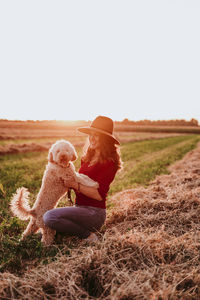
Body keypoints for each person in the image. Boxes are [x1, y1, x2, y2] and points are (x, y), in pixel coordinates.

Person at [43, 115, 122, 242]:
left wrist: (74, 185)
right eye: (91, 134)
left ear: (105, 139)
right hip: (79, 208)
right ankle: (71, 231)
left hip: (94, 213)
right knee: (46, 218)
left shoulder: (109, 163)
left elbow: (98, 195)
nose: (92, 138)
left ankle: (87, 235)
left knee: (49, 217)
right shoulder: (86, 158)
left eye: (97, 135)